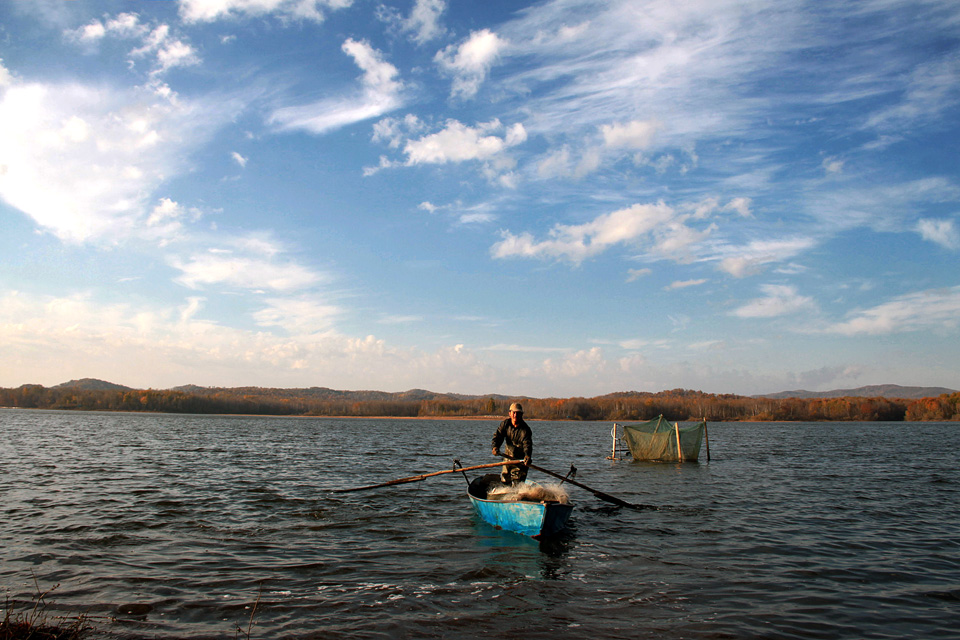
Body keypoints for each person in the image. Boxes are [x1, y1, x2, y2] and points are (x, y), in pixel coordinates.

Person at [491, 402, 532, 485]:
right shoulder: (505, 424)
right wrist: (495, 447)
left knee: (517, 485)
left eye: (518, 413)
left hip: (520, 461)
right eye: (514, 413)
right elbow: (498, 436)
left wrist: (527, 455)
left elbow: (527, 444)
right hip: (507, 458)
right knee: (504, 481)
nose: (515, 415)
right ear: (510, 413)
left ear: (521, 415)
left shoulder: (525, 430)